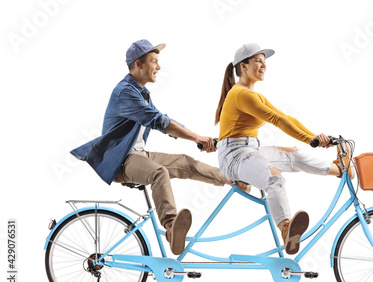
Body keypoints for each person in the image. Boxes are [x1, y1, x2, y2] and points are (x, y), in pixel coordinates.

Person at [71, 39, 248, 255]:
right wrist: (196, 137)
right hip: (121, 160)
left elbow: (163, 119)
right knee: (159, 173)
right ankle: (172, 228)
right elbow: (159, 122)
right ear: (139, 64)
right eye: (154, 61)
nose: (159, 67)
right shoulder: (125, 92)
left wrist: (199, 139)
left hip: (137, 155)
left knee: (185, 161)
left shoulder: (141, 93)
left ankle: (233, 180)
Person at [215, 43, 354, 255]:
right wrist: (311, 139)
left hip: (250, 150)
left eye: (264, 61)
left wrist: (314, 137)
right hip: (233, 157)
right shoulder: (241, 94)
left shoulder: (254, 95)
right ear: (243, 67)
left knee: (292, 152)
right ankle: (286, 229)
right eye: (258, 61)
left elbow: (286, 117)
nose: (263, 65)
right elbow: (277, 120)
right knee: (275, 178)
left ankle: (340, 169)